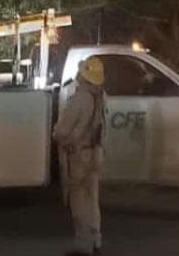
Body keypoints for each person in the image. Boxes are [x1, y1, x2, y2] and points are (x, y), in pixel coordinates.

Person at [54, 56, 107, 256]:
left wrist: (56, 133)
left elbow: (63, 130)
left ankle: (82, 244)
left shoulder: (80, 99)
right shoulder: (101, 96)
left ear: (84, 75)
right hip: (96, 153)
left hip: (80, 155)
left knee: (79, 199)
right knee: (93, 198)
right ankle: (95, 239)